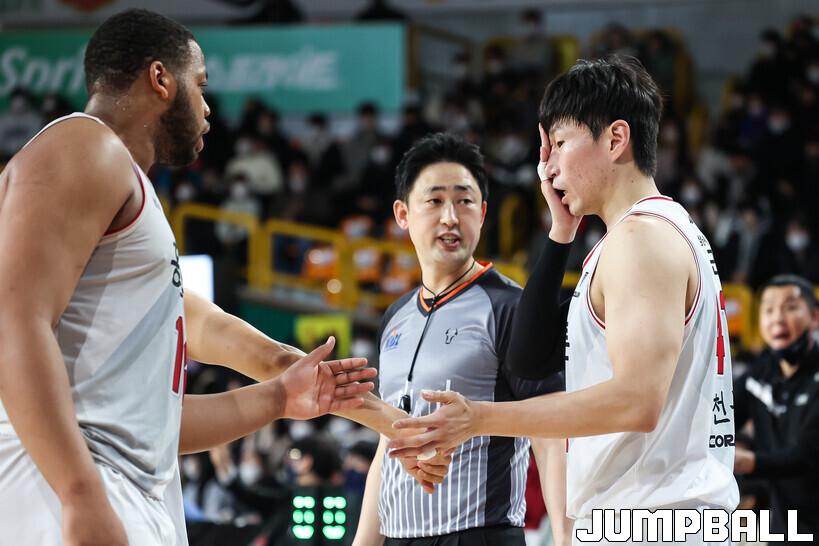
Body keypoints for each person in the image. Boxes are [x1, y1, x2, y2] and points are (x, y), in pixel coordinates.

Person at [0, 9, 381, 546]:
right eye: (200, 85)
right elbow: (13, 320)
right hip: (62, 485)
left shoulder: (128, 198)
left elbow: (157, 423)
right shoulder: (84, 145)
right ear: (161, 79)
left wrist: (277, 396)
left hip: (120, 487)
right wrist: (78, 493)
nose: (207, 107)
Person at [386, 56, 740, 544]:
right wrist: (560, 230)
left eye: (560, 144)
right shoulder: (640, 235)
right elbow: (529, 359)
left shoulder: (639, 241)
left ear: (615, 140)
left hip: (654, 518)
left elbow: (637, 401)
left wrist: (479, 418)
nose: (547, 166)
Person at [353, 133, 571, 546]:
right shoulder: (395, 317)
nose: (450, 217)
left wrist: (565, 538)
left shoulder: (509, 307)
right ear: (403, 214)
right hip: (399, 537)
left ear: (483, 212)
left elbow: (549, 429)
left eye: (464, 201)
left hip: (478, 535)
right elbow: (389, 443)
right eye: (435, 201)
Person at [733, 275, 819, 543]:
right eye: (768, 310)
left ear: (815, 317)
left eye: (790, 307)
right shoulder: (761, 372)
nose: (777, 318)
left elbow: (805, 457)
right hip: (783, 524)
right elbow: (723, 418)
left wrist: (745, 460)